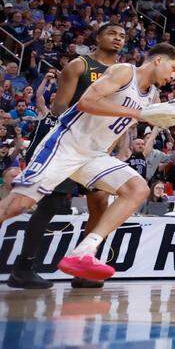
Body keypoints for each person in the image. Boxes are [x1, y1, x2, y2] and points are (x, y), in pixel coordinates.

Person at [0, 43, 175, 283]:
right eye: (173, 68)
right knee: (16, 205)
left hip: (95, 154)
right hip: (66, 145)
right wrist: (136, 114)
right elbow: (85, 103)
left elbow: (120, 126)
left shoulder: (152, 95)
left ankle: (85, 251)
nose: (173, 75)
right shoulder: (124, 72)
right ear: (158, 61)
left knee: (137, 189)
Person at [7, 23, 124, 290]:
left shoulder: (120, 74)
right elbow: (59, 106)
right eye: (112, 34)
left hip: (93, 145)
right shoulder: (80, 65)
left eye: (122, 36)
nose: (118, 39)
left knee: (99, 200)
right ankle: (23, 268)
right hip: (63, 137)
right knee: (48, 203)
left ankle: (83, 266)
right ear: (98, 37)